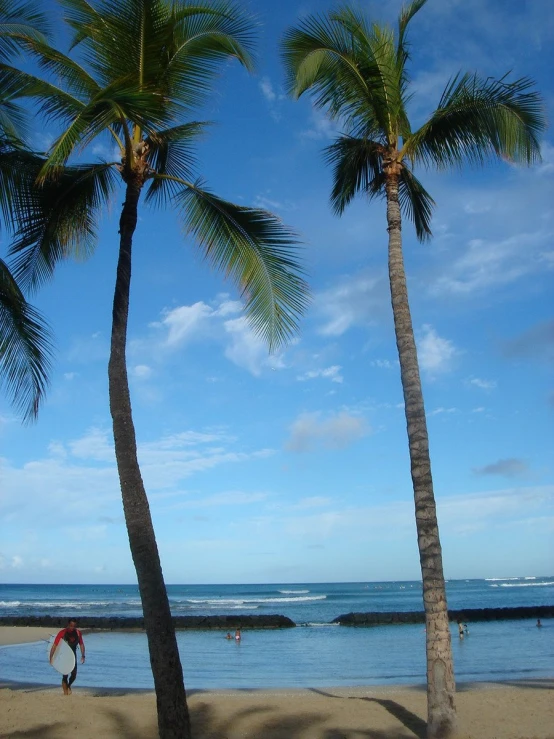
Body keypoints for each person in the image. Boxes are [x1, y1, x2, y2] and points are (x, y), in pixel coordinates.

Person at [50, 618, 85, 695]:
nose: (72, 627)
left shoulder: (78, 633)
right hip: (64, 656)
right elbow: (55, 645)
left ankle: (69, 685)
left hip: (73, 656)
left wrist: (83, 655)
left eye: (74, 626)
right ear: (68, 624)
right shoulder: (62, 633)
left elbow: (81, 644)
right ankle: (65, 693)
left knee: (74, 675)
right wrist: (51, 657)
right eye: (71, 625)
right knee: (65, 675)